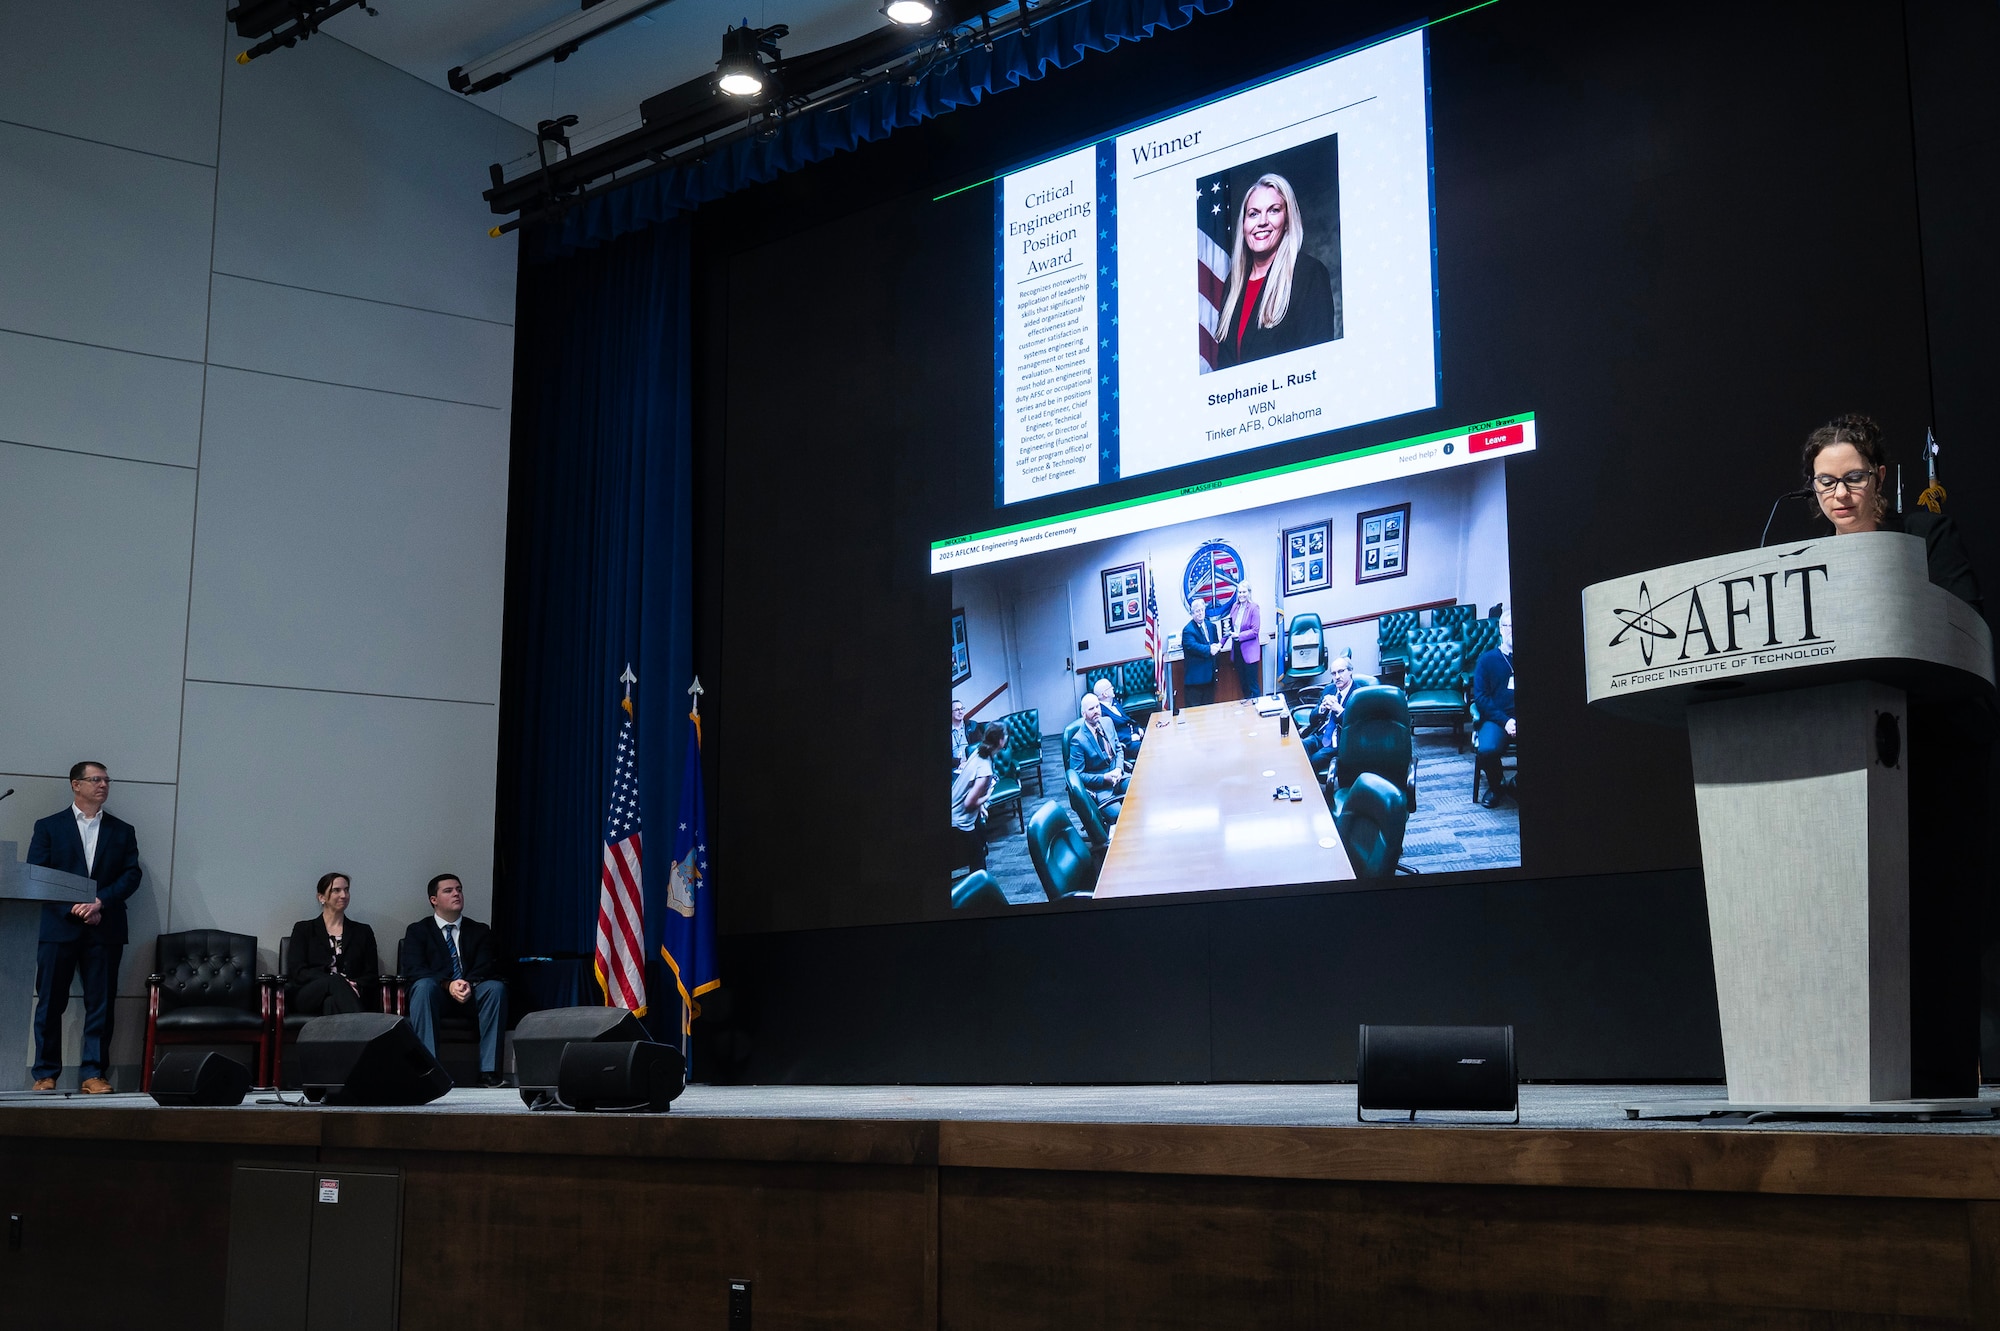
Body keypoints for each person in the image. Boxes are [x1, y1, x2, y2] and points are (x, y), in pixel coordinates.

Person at [1803, 412, 1985, 1098]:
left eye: (1852, 477)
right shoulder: (1801, 566)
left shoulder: (1924, 535)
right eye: (1825, 482)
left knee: (1932, 920)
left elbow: (1963, 619)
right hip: (1841, 752)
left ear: (1879, 476)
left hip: (1933, 744)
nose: (1839, 494)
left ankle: (1938, 1076)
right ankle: (1848, 1068)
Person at [27, 761, 141, 1093]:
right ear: (76, 785)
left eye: (106, 780)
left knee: (100, 1004)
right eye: (96, 780)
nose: (103, 785)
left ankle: (93, 1073)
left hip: (105, 927)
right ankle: (45, 1074)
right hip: (58, 927)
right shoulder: (49, 827)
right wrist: (73, 908)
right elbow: (37, 874)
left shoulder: (122, 830)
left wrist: (100, 902)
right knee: (50, 1003)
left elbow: (131, 874)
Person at [1215, 173, 1338, 370]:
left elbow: (1318, 363)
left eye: (1273, 210)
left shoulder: (1308, 274)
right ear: (1244, 223)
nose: (1262, 222)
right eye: (1253, 214)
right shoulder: (1233, 283)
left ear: (1287, 220)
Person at [400, 874, 507, 1087]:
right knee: (422, 986)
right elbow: (414, 969)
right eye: (448, 891)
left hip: (471, 993)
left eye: (459, 889)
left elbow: (487, 965)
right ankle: (430, 1072)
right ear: (434, 900)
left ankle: (489, 1073)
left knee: (495, 988)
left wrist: (467, 983)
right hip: (436, 996)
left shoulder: (479, 930)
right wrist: (448, 984)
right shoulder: (418, 931)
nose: (456, 894)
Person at [284, 872, 381, 1016]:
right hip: (310, 994)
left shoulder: (363, 932)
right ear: (321, 897)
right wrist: (336, 981)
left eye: (346, 890)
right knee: (335, 982)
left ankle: (347, 1030)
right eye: (336, 890)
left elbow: (371, 974)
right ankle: (363, 1025)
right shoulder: (303, 929)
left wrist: (354, 984)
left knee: (331, 1002)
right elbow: (298, 972)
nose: (344, 895)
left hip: (351, 994)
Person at [1471, 615, 1516, 808]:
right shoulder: (1486, 660)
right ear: (1500, 629)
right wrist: (1505, 721)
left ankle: (1517, 783)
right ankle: (1497, 786)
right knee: (1487, 750)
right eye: (1508, 625)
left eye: (1516, 624)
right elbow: (1481, 697)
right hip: (1496, 718)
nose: (1512, 629)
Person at [952, 724, 1003, 873]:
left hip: (960, 815)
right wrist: (986, 797)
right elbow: (969, 803)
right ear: (1000, 741)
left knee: (981, 846)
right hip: (959, 822)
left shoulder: (978, 752)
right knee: (977, 862)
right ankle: (979, 884)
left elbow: (971, 786)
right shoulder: (985, 770)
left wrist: (980, 807)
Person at [1069, 694, 1128, 822]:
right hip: (1102, 789)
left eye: (1097, 707)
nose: (1096, 711)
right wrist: (1104, 778)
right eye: (1091, 709)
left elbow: (1118, 748)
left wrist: (1119, 769)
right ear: (1083, 714)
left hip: (1119, 776)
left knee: (1139, 795)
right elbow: (1078, 775)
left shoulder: (1108, 722)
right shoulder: (1078, 741)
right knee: (1121, 817)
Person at [1302, 656, 1360, 774]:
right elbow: (1312, 720)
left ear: (1350, 671)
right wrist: (1322, 708)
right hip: (1320, 735)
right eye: (1333, 673)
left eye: (1341, 671)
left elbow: (1356, 727)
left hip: (1339, 741)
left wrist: (1339, 710)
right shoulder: (1329, 689)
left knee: (1314, 760)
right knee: (1300, 748)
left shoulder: (1358, 695)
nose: (1337, 677)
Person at [1180, 596, 1221, 707]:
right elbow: (1193, 646)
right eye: (1197, 611)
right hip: (1195, 681)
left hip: (1210, 678)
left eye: (1202, 610)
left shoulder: (1211, 626)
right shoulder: (1188, 630)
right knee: (1195, 714)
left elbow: (1216, 644)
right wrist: (1210, 649)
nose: (1200, 613)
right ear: (1192, 613)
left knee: (1210, 710)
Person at [1092, 678, 1143, 757]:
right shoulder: (1101, 713)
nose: (1113, 688)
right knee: (1145, 749)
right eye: (1110, 687)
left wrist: (1137, 728)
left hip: (1133, 732)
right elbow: (1109, 735)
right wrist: (1129, 738)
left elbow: (1126, 719)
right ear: (1105, 694)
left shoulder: (1113, 701)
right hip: (1125, 743)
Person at [1230, 582, 1263, 698]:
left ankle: (1256, 704)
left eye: (1244, 592)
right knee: (1243, 681)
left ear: (1249, 593)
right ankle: (1247, 704)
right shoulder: (1235, 607)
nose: (1241, 595)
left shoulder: (1254, 608)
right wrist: (1220, 644)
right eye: (1239, 592)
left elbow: (1255, 631)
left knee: (1252, 683)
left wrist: (1239, 635)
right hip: (1237, 649)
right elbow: (1228, 627)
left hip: (1249, 650)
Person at [951, 698, 968, 768]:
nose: (960, 712)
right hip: (954, 767)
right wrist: (960, 761)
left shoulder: (972, 726)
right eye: (957, 710)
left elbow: (979, 749)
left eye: (962, 709)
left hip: (970, 763)